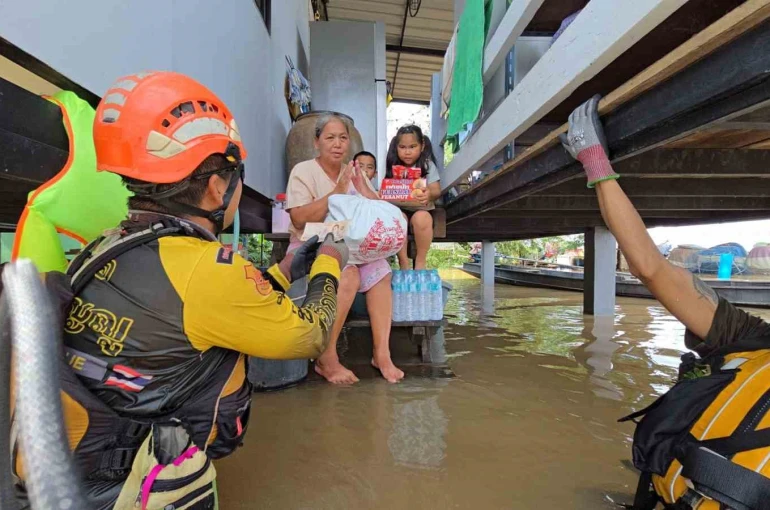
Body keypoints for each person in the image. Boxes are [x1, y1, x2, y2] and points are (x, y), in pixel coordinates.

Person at [12, 71, 348, 509]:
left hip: (70, 466)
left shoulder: (108, 243)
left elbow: (194, 310)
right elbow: (310, 335)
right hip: (131, 484)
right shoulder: (208, 269)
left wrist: (284, 271)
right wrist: (330, 261)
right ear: (217, 186)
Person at [560, 95, 770, 358]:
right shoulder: (749, 337)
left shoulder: (750, 338)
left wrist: (594, 161)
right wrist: (594, 162)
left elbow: (650, 268)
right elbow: (648, 269)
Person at [286, 113, 404, 384]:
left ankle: (382, 354)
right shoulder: (303, 171)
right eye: (330, 137)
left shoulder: (354, 172)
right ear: (316, 142)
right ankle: (326, 357)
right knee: (348, 274)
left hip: (352, 244)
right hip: (313, 242)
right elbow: (299, 220)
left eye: (342, 138)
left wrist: (365, 190)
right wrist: (336, 193)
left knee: (382, 271)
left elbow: (378, 212)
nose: (337, 144)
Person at [386, 125, 441, 270]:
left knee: (422, 218)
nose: (407, 152)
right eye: (402, 147)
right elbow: (385, 190)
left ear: (422, 146)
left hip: (422, 209)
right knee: (398, 219)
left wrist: (429, 193)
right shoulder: (392, 165)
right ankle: (403, 262)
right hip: (399, 210)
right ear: (396, 147)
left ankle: (421, 262)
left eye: (412, 146)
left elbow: (436, 190)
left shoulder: (427, 165)